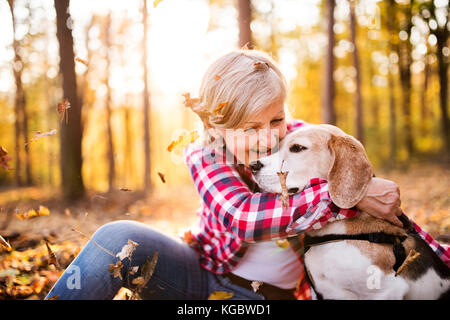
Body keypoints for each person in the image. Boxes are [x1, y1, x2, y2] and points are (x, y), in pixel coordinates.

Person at [45, 49, 449, 300]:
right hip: (207, 280)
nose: (269, 135)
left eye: (276, 118)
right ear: (217, 126)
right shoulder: (206, 153)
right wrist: (341, 196)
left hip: (277, 296)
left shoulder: (301, 140)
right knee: (117, 239)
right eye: (250, 128)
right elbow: (243, 218)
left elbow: (369, 201)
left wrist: (357, 193)